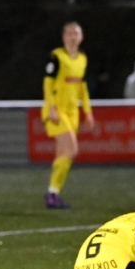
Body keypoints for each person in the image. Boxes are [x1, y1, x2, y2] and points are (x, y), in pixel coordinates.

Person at [41, 22, 94, 209]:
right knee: (72, 150)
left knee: (62, 154)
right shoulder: (56, 57)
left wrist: (87, 111)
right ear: (64, 37)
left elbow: (82, 87)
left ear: (81, 37)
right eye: (69, 33)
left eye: (76, 33)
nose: (72, 37)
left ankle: (53, 193)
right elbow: (47, 84)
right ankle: (51, 193)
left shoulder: (82, 59)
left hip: (73, 113)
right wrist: (52, 107)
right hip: (57, 111)